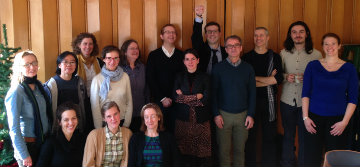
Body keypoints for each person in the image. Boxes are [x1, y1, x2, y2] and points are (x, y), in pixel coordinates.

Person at [301, 33, 358, 166]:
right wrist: (305, 118)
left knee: (335, 159)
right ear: (322, 47)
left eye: (333, 43)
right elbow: (305, 93)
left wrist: (344, 122)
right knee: (311, 157)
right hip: (313, 119)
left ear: (339, 46)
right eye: (326, 44)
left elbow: (353, 98)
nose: (330, 47)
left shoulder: (349, 68)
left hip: (338, 121)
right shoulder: (312, 66)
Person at [280, 21, 322, 167]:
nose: (297, 35)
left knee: (305, 137)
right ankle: (287, 164)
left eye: (301, 31)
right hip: (287, 101)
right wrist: (286, 77)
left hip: (308, 104)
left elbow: (321, 79)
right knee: (288, 136)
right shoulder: (283, 53)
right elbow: (279, 74)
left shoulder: (317, 54)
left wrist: (310, 78)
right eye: (294, 32)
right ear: (290, 35)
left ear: (307, 34)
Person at [212, 35, 256, 167]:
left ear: (241, 48)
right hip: (223, 115)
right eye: (230, 46)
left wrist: (250, 115)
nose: (233, 48)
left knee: (239, 151)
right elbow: (213, 93)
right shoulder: (218, 68)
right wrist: (216, 114)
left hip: (243, 116)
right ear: (225, 49)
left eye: (236, 45)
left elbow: (252, 93)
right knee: (224, 151)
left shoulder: (248, 68)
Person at [243, 27, 284, 167]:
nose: (258, 38)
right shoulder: (246, 57)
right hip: (250, 103)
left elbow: (277, 80)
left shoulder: (275, 57)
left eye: (261, 35)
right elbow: (246, 82)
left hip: (270, 102)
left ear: (267, 38)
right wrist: (268, 79)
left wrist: (255, 80)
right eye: (256, 35)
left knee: (269, 138)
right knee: (250, 138)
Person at [5, 51, 52, 167]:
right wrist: (24, 154)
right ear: (19, 67)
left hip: (43, 143)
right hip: (28, 146)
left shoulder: (40, 87)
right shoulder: (17, 91)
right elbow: (14, 128)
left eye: (34, 63)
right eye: (27, 64)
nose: (32, 67)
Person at [173, 49, 212, 166]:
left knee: (202, 154)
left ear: (198, 60)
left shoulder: (206, 77)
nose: (190, 62)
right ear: (184, 62)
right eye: (187, 59)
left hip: (201, 120)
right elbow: (176, 98)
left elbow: (206, 99)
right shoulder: (179, 76)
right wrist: (197, 96)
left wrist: (184, 97)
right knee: (184, 153)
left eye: (193, 59)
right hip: (183, 120)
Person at [146, 24, 184, 132]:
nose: (171, 34)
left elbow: (183, 78)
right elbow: (150, 78)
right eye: (168, 32)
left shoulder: (181, 55)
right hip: (159, 102)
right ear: (161, 36)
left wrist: (178, 96)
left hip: (178, 101)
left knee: (176, 133)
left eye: (173, 32)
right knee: (160, 132)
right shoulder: (153, 55)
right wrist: (163, 98)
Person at [44, 51, 93, 134]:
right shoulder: (51, 84)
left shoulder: (79, 81)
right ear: (59, 65)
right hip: (58, 127)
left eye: (72, 62)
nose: (69, 65)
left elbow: (85, 105)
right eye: (65, 62)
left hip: (77, 126)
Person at [90, 45, 133, 129]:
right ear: (104, 59)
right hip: (104, 123)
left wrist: (126, 124)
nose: (112, 61)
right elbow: (95, 107)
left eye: (115, 58)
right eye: (109, 58)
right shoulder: (97, 80)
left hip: (122, 121)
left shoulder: (125, 77)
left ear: (119, 60)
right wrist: (99, 128)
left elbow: (129, 102)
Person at [83, 101, 132, 167]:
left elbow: (131, 161)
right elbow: (88, 164)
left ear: (119, 113)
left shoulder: (128, 134)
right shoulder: (93, 136)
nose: (113, 119)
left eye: (115, 114)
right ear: (104, 118)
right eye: (109, 116)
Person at [36, 102, 86, 167]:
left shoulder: (82, 139)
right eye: (66, 120)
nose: (71, 123)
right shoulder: (50, 142)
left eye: (73, 118)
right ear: (59, 122)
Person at [120, 39, 149, 133]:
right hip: (124, 113)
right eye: (132, 48)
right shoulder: (119, 69)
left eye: (136, 48)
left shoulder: (142, 67)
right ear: (125, 52)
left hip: (140, 111)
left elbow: (146, 90)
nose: (135, 51)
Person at [191, 5, 227, 74]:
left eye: (215, 31)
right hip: (204, 84)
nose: (212, 34)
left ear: (220, 34)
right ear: (206, 34)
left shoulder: (227, 52)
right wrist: (199, 16)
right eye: (209, 31)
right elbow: (196, 36)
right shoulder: (200, 49)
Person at [72, 32, 104, 97]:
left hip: (98, 97)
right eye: (85, 44)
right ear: (79, 45)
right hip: (80, 99)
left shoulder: (99, 62)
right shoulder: (73, 61)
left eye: (90, 44)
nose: (88, 47)